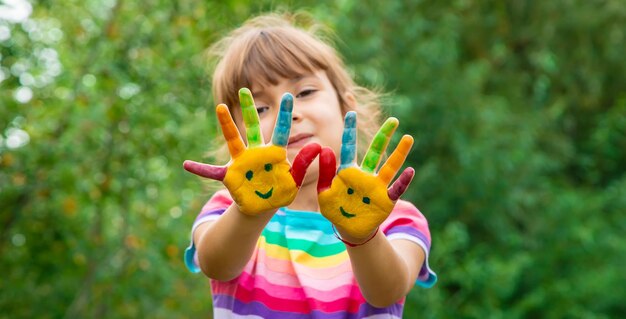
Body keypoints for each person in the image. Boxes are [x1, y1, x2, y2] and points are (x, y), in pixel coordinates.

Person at [182, 12, 436, 319]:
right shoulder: (229, 209)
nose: (287, 115)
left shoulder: (392, 216)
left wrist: (361, 234)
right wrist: (253, 210)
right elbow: (216, 265)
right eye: (260, 108)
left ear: (347, 106)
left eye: (304, 92)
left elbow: (387, 292)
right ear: (236, 132)